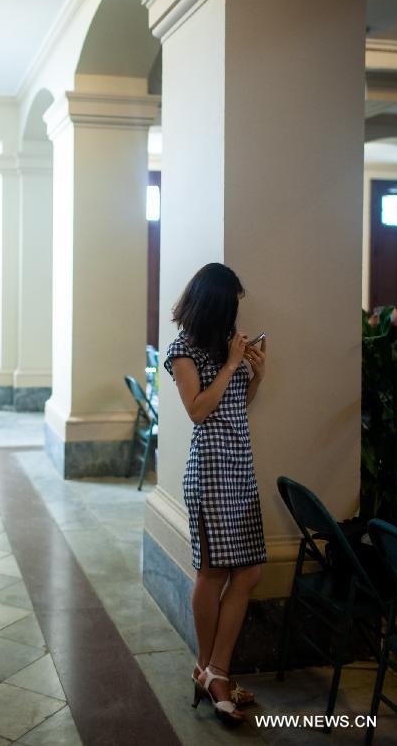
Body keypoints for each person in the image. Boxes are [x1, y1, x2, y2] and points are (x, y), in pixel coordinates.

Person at [164, 263, 267, 724]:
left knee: (250, 571)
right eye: (230, 303)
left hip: (239, 467)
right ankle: (213, 672)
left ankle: (212, 670)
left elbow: (233, 406)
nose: (235, 312)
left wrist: (255, 374)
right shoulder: (183, 349)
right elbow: (199, 411)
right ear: (212, 304)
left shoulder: (224, 343)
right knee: (213, 571)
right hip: (209, 471)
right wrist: (229, 364)